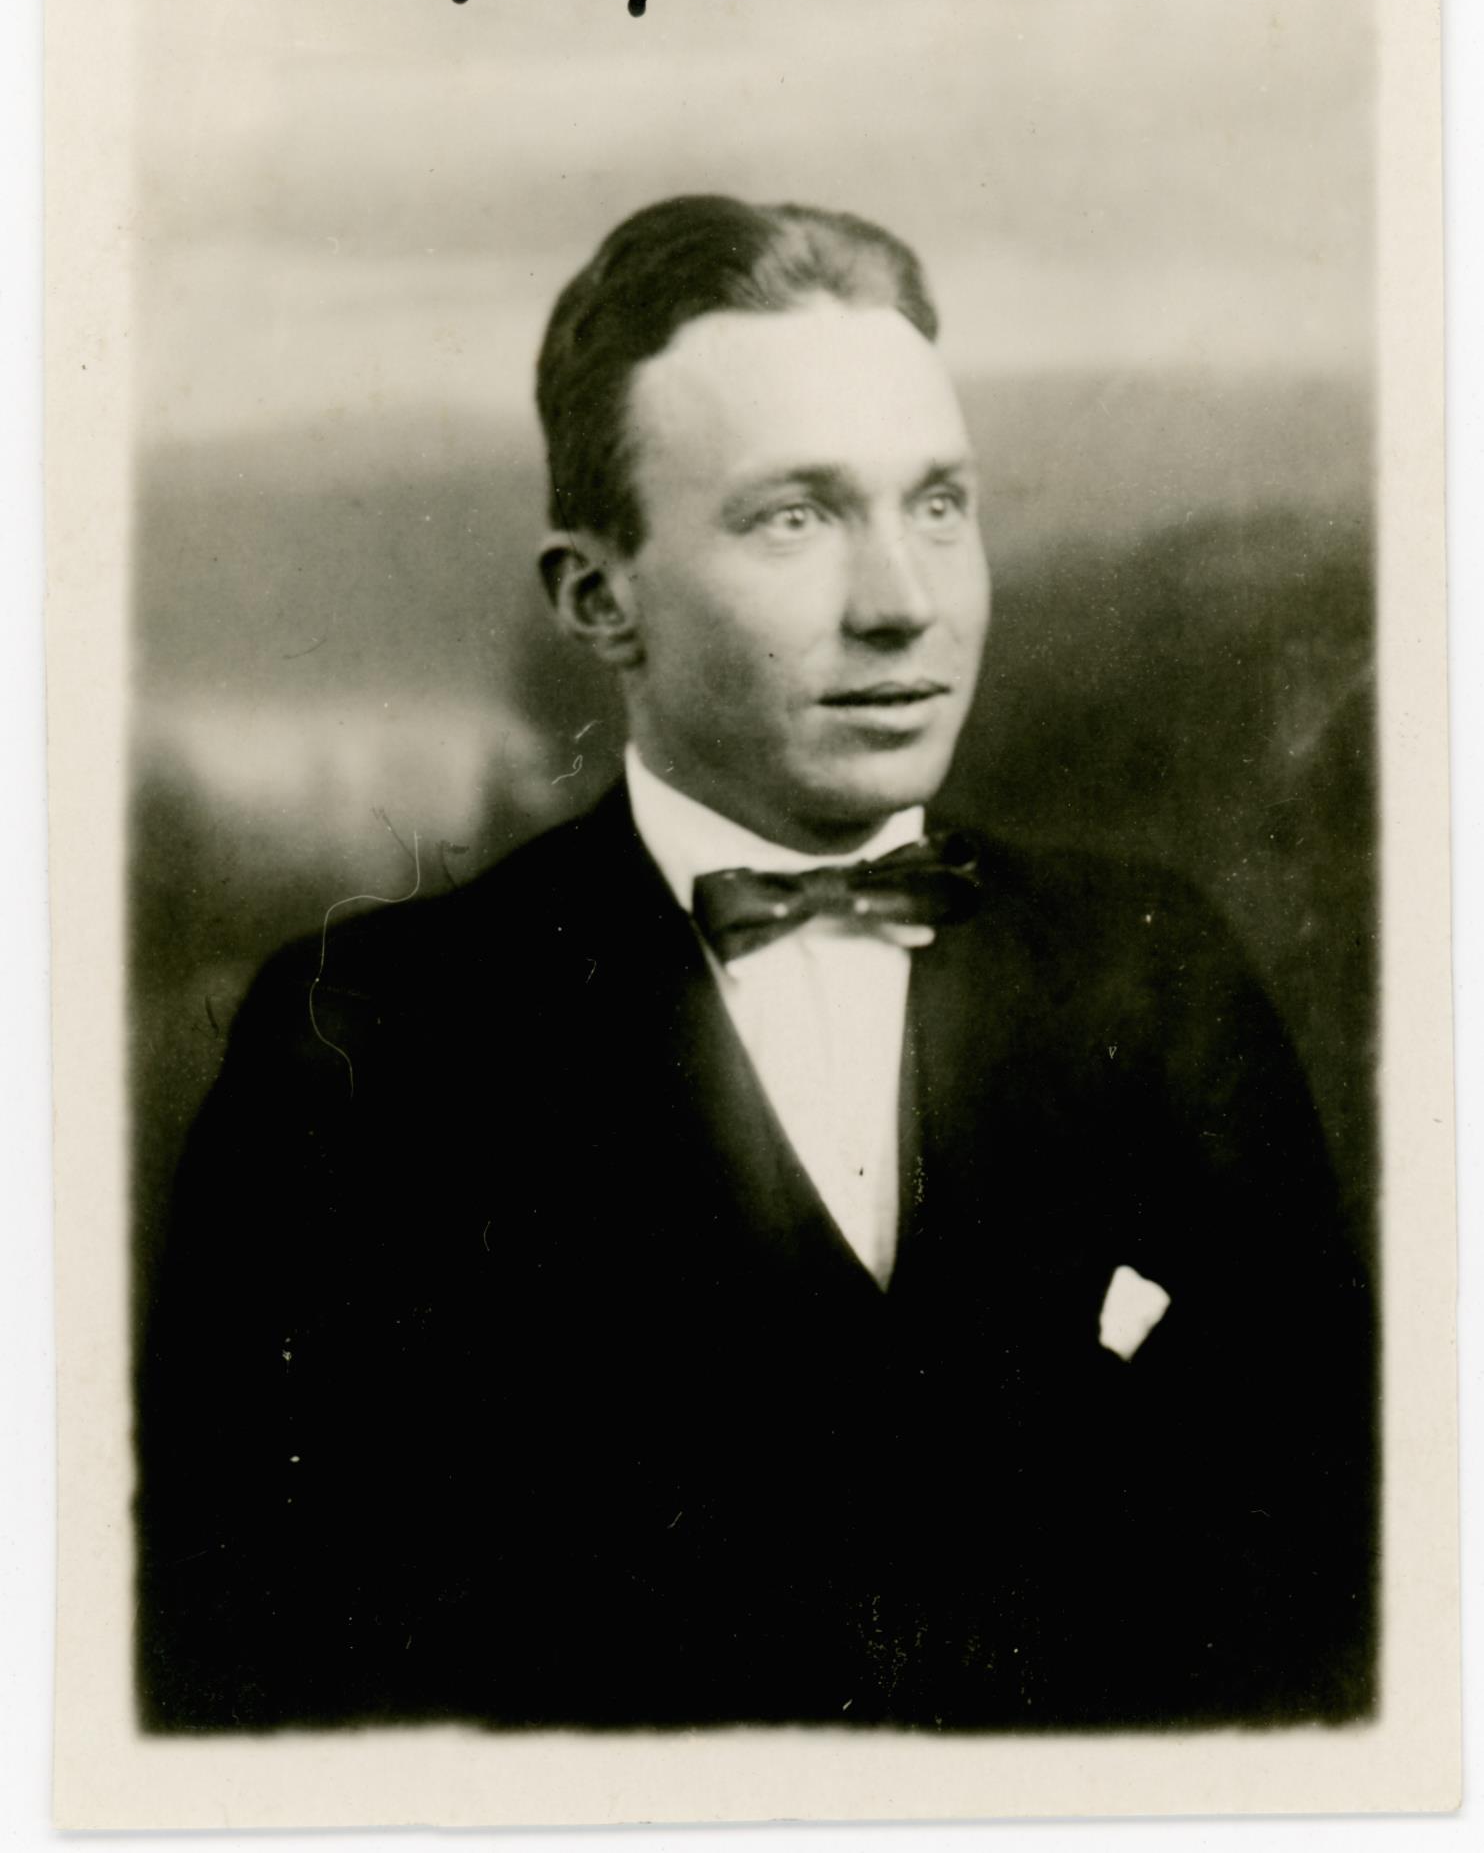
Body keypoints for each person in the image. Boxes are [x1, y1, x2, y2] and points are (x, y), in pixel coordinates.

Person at [136, 195, 1374, 1734]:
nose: (903, 604)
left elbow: (1343, 1594)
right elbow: (251, 1680)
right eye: (796, 519)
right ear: (600, 600)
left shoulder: (1159, 973)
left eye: (939, 506)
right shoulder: (367, 1046)